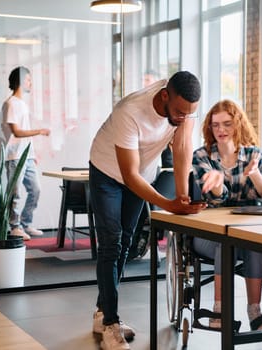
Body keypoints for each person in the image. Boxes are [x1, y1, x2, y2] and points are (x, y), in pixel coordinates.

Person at [89, 71, 206, 350]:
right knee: (111, 242)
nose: (182, 118)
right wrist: (167, 205)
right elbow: (128, 175)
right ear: (165, 95)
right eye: (178, 112)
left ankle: (101, 312)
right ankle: (110, 324)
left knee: (126, 243)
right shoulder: (130, 111)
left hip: (141, 173)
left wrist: (182, 198)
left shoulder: (184, 110)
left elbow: (181, 148)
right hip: (107, 172)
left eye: (189, 114)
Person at [191, 99, 262, 330]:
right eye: (215, 125)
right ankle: (219, 310)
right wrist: (218, 184)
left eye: (227, 124)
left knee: (253, 241)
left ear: (238, 124)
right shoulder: (202, 156)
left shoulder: (255, 155)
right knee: (225, 240)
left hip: (246, 234)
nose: (220, 130)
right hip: (210, 237)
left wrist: (256, 175)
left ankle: (255, 311)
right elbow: (216, 198)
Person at [1, 66, 51, 241]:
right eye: (28, 79)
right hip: (15, 156)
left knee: (35, 190)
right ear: (21, 81)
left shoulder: (22, 104)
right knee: (15, 192)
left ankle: (26, 222)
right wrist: (40, 131)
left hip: (26, 155)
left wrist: (32, 153)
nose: (31, 82)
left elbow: (24, 132)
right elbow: (17, 132)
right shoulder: (11, 104)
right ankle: (14, 226)